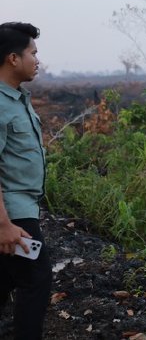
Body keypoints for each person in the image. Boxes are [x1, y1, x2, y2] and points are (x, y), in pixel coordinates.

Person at [0, 22, 51, 339]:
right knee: (36, 278)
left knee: (6, 278)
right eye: (33, 53)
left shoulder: (16, 98)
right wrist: (4, 224)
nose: (37, 60)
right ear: (13, 58)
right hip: (13, 214)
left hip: (21, 209)